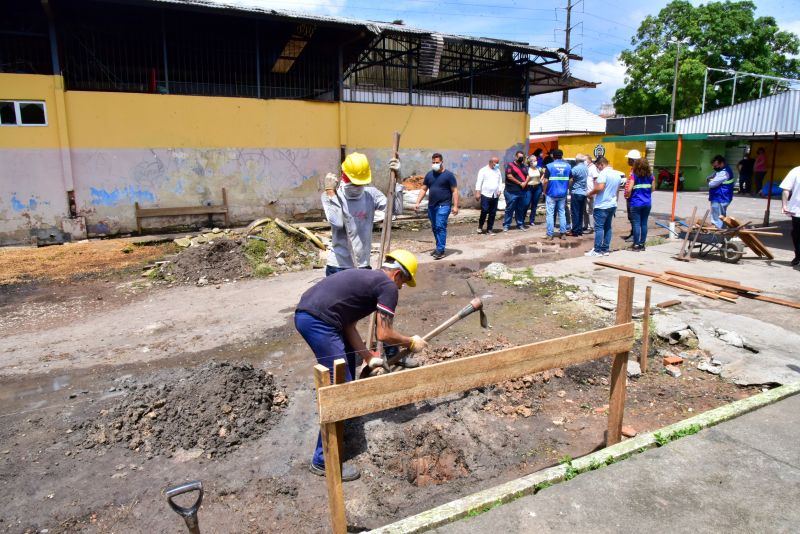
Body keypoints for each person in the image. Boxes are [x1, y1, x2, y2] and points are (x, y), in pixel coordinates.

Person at [295, 249, 427, 481]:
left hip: (311, 314)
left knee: (347, 363)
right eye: (404, 282)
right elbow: (384, 334)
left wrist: (368, 357)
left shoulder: (368, 279)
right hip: (320, 322)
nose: (400, 289)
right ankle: (322, 460)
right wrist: (411, 341)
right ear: (397, 275)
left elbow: (348, 326)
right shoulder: (387, 287)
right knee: (340, 384)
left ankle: (345, 415)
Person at [322, 153, 399, 276]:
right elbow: (337, 223)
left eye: (358, 184)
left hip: (363, 265)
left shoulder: (371, 195)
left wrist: (396, 181)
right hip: (339, 265)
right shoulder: (332, 196)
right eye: (353, 182)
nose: (356, 187)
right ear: (344, 176)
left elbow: (394, 210)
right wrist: (330, 193)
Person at [414, 153, 459, 259]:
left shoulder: (448, 175)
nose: (435, 164)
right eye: (433, 162)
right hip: (432, 206)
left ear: (442, 162)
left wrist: (456, 206)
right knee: (435, 227)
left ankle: (441, 250)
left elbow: (455, 191)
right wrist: (417, 202)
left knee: (440, 226)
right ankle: (439, 247)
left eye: (437, 162)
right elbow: (423, 189)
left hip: (444, 205)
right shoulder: (429, 175)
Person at [584, 157, 623, 257]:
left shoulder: (603, 173)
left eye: (598, 166)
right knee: (608, 227)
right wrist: (616, 202)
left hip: (602, 205)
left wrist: (590, 193)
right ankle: (605, 249)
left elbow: (600, 188)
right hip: (612, 204)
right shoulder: (617, 174)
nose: (598, 168)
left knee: (599, 228)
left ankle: (597, 250)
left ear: (601, 164)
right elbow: (617, 190)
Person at [626, 158, 655, 251]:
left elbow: (629, 189)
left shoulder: (634, 176)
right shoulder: (651, 176)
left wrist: (628, 195)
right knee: (644, 223)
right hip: (647, 203)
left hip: (636, 203)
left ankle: (636, 245)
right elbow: (653, 189)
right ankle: (642, 244)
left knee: (636, 224)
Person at [542, 148, 571, 240]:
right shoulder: (568, 166)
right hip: (562, 194)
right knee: (562, 213)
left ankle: (550, 234)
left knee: (550, 214)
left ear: (553, 156)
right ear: (561, 156)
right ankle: (563, 233)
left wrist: (544, 190)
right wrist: (566, 188)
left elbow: (546, 180)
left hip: (551, 193)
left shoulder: (549, 166)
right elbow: (571, 180)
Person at [502, 150, 530, 231]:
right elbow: (509, 176)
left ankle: (520, 224)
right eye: (520, 157)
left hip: (522, 191)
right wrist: (520, 183)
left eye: (522, 157)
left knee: (520, 208)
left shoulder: (524, 166)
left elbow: (528, 175)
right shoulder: (510, 165)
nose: (521, 158)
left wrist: (525, 182)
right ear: (516, 156)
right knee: (510, 208)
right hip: (511, 191)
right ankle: (506, 225)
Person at [475, 156, 503, 234]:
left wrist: (500, 190)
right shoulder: (483, 170)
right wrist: (478, 192)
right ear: (491, 162)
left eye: (498, 162)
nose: (497, 164)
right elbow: (479, 182)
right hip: (485, 194)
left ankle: (489, 229)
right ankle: (480, 226)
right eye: (496, 162)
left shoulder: (498, 171)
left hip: (495, 195)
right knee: (484, 210)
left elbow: (500, 181)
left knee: (493, 213)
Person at [707, 155, 735, 229]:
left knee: (718, 216)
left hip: (721, 197)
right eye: (713, 166)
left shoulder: (724, 173)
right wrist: (710, 179)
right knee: (720, 215)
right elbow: (710, 177)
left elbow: (711, 184)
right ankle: (721, 229)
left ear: (721, 163)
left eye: (716, 166)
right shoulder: (721, 171)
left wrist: (710, 181)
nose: (714, 167)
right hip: (720, 196)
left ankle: (717, 231)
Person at [779, 165, 800, 266]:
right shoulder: (796, 171)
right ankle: (798, 255)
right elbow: (786, 189)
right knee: (796, 234)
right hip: (797, 210)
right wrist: (784, 205)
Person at [566, 154, 588, 237]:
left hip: (576, 192)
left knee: (575, 212)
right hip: (583, 192)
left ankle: (575, 231)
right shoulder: (586, 168)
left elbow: (570, 179)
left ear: (577, 160)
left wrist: (568, 187)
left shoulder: (575, 169)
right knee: (580, 212)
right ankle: (579, 230)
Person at [621, 149, 641, 241]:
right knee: (631, 217)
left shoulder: (637, 171)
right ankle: (633, 233)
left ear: (633, 160)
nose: (627, 161)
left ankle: (635, 236)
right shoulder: (633, 170)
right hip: (631, 197)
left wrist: (628, 194)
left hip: (632, 197)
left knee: (633, 218)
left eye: (629, 159)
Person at [527, 154, 544, 226]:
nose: (535, 162)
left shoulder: (539, 168)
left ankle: (532, 220)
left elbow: (544, 172)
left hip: (537, 187)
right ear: (530, 162)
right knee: (526, 203)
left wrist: (541, 179)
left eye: (536, 160)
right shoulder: (527, 169)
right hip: (529, 187)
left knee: (534, 204)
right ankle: (521, 219)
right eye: (534, 160)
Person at [584, 156, 599, 233]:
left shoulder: (593, 168)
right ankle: (586, 226)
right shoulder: (587, 167)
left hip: (591, 192)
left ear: (589, 160)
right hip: (587, 192)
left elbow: (595, 180)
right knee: (586, 210)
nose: (584, 161)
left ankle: (591, 227)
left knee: (590, 210)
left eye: (585, 159)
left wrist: (593, 192)